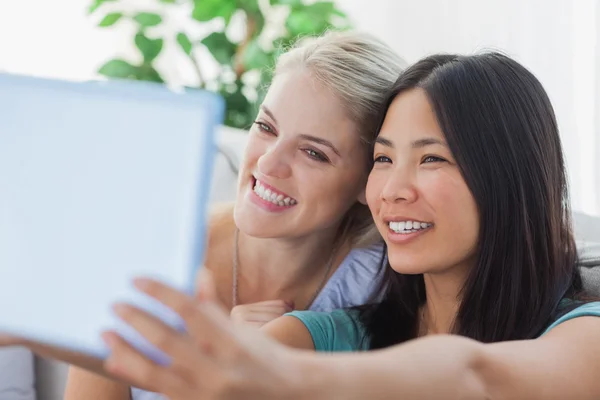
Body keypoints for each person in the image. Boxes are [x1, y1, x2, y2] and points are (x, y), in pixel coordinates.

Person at [96, 52, 600, 399]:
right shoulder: (327, 335)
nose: (394, 189)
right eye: (383, 159)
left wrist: (284, 378)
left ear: (509, 178)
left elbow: (476, 377)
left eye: (431, 159)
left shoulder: (584, 336)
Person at [0, 30, 406, 400]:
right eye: (266, 127)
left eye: (313, 153)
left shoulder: (386, 279)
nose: (268, 163)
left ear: (369, 178)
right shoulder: (145, 254)